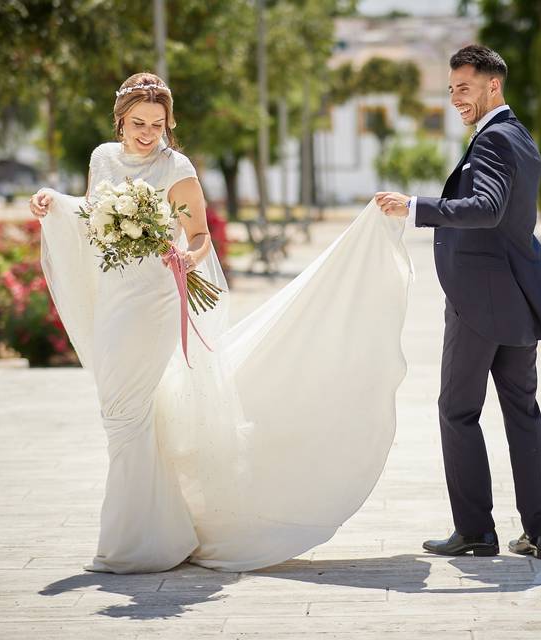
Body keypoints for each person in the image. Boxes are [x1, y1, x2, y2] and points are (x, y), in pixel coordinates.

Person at [29, 72, 413, 573]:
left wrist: (188, 260)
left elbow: (198, 235)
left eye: (158, 124)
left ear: (169, 125)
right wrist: (52, 203)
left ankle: (132, 543)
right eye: (139, 123)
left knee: (124, 412)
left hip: (154, 299)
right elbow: (94, 215)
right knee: (123, 412)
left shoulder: (176, 167)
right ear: (120, 120)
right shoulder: (102, 158)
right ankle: (161, 530)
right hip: (115, 297)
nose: (148, 133)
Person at [376, 45, 541, 561]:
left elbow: (488, 208)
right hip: (518, 298)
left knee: (457, 411)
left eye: (464, 88)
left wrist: (415, 207)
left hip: (480, 303)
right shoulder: (518, 136)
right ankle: (539, 533)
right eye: (451, 89)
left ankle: (474, 531)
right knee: (522, 413)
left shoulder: (494, 140)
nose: (456, 98)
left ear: (492, 86)